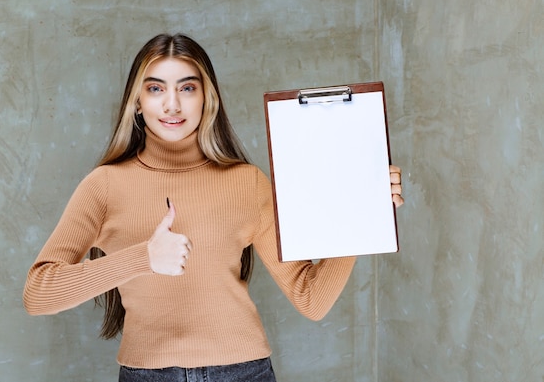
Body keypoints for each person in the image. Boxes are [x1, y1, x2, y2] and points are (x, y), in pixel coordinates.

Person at [23, 33, 404, 382]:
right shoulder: (105, 185)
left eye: (187, 88)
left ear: (207, 98)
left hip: (245, 373)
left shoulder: (246, 182)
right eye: (156, 88)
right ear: (137, 102)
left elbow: (311, 298)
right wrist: (142, 258)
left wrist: (362, 211)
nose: (172, 104)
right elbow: (38, 293)